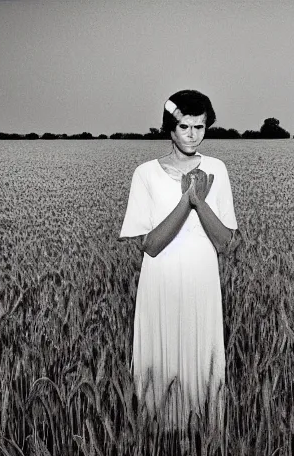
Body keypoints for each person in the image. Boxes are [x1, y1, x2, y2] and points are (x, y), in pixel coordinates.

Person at [119, 90, 238, 433]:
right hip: (161, 284)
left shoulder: (217, 169)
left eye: (199, 127)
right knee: (160, 362)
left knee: (202, 364)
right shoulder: (145, 174)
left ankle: (205, 445)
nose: (192, 134)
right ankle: (156, 444)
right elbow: (151, 245)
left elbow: (225, 242)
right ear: (169, 128)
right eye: (184, 126)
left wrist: (201, 203)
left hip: (202, 283)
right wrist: (186, 201)